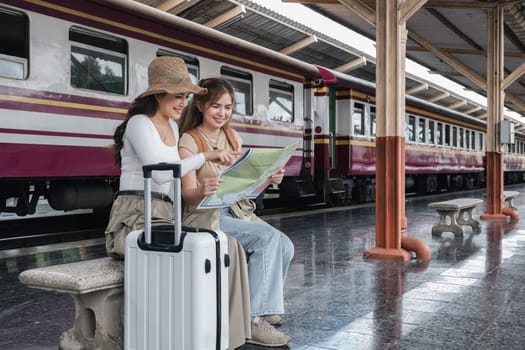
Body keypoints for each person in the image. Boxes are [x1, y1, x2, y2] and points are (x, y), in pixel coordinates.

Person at [104, 57, 251, 349]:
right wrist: (205, 157)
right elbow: (159, 174)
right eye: (178, 95)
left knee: (227, 244)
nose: (184, 102)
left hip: (165, 217)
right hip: (134, 218)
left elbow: (173, 168)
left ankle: (227, 337)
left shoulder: (171, 125)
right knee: (200, 248)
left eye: (186, 96)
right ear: (159, 94)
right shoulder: (138, 124)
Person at [178, 78, 295, 347]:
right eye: (215, 106)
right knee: (267, 240)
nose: (222, 113)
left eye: (228, 107)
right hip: (205, 215)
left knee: (286, 245)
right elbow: (187, 195)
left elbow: (245, 186)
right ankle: (254, 320)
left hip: (236, 211)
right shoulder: (190, 140)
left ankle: (263, 307)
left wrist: (269, 179)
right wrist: (203, 188)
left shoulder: (233, 137)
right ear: (200, 106)